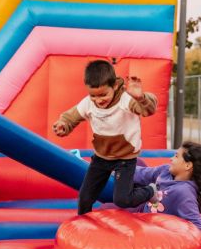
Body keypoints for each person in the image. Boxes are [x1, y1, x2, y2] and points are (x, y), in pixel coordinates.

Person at [52, 59, 158, 215]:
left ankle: (150, 191)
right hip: (101, 158)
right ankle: (84, 229)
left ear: (114, 86)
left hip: (125, 159)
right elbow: (71, 117)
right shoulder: (89, 103)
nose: (98, 100)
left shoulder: (126, 100)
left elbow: (147, 110)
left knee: (122, 200)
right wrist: (63, 125)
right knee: (84, 198)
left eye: (103, 94)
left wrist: (141, 97)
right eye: (93, 95)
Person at [101, 141, 201, 230]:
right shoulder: (166, 171)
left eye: (176, 156)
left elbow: (197, 225)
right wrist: (117, 170)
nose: (171, 159)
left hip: (144, 219)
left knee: (105, 209)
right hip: (142, 202)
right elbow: (144, 173)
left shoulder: (184, 193)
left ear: (188, 165)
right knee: (135, 162)